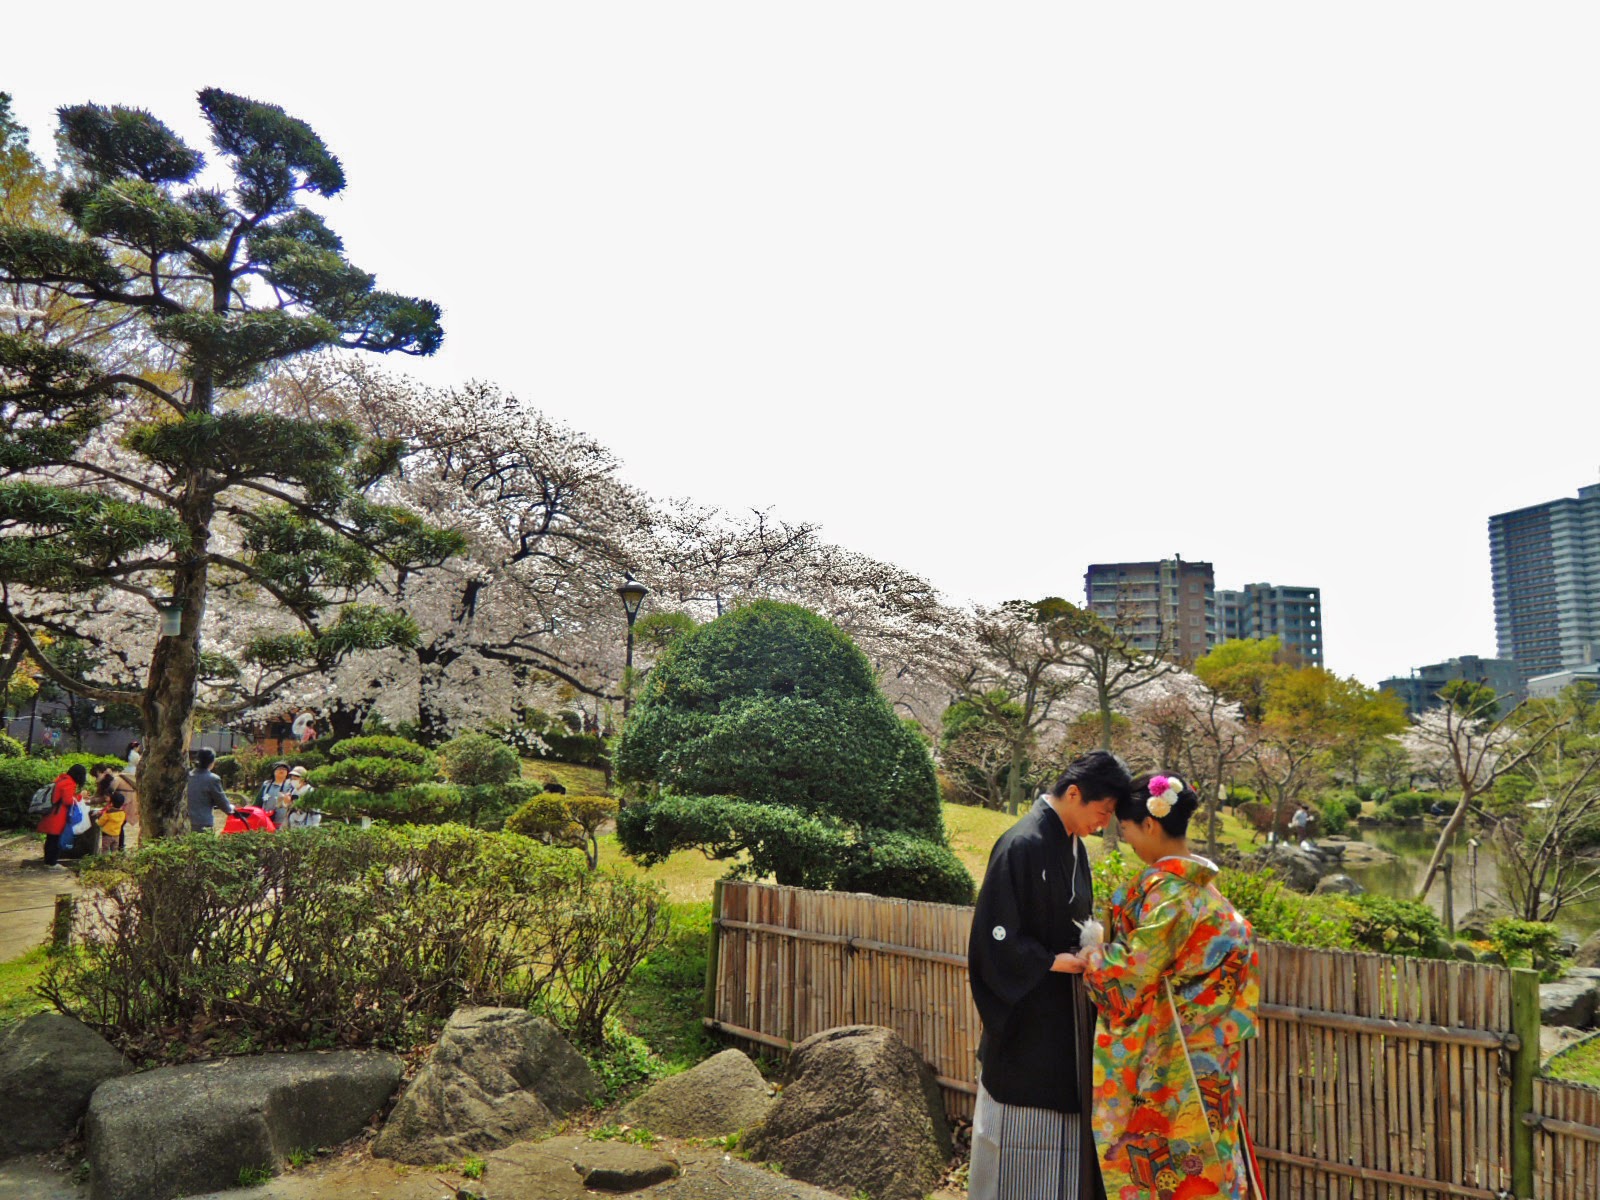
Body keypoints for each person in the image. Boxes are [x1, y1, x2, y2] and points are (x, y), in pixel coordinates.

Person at [1064, 773, 1265, 1200]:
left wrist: (1093, 953)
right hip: (1209, 1054)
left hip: (1173, 1061)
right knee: (1210, 1158)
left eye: (1128, 830)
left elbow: (1133, 971)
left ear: (1150, 825)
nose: (1129, 842)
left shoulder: (1170, 893)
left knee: (1175, 1169)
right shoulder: (1206, 893)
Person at [966, 750, 1134, 1200]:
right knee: (1019, 1135)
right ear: (1074, 793)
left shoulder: (1073, 845)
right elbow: (993, 936)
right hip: (1027, 1018)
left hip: (1063, 1015)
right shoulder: (1021, 844)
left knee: (1064, 1128)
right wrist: (1051, 961)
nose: (1103, 824)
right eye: (1102, 812)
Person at [38, 764, 87, 869]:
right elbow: (68, 800)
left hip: (52, 813)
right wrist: (80, 796)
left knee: (51, 839)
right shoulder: (69, 783)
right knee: (55, 840)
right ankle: (52, 863)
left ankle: (48, 861)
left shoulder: (60, 779)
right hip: (58, 815)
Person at [186, 748, 235, 833]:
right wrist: (231, 808)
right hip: (203, 823)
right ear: (212, 762)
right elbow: (222, 802)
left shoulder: (187, 776)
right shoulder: (212, 779)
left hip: (185, 821)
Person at [254, 762, 295, 829]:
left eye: (284, 769)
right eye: (279, 768)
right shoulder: (266, 784)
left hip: (283, 822)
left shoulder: (291, 785)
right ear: (273, 771)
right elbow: (258, 801)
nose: (282, 770)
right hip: (266, 819)